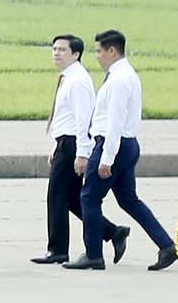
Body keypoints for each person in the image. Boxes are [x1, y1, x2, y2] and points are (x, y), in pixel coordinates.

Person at [69, 30, 176, 271]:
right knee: (129, 200)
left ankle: (93, 254)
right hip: (126, 145)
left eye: (98, 51)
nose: (96, 56)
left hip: (112, 145)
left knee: (89, 197)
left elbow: (115, 122)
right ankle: (166, 245)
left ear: (112, 51)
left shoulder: (118, 80)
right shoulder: (125, 75)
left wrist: (106, 158)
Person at [37, 34, 123, 266]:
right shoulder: (68, 78)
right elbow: (65, 118)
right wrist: (56, 145)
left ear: (76, 54)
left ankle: (57, 250)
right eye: (54, 48)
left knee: (56, 196)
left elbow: (83, 120)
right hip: (65, 143)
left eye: (62, 50)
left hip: (74, 144)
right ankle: (112, 232)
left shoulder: (78, 81)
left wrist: (81, 154)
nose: (56, 53)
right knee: (72, 198)